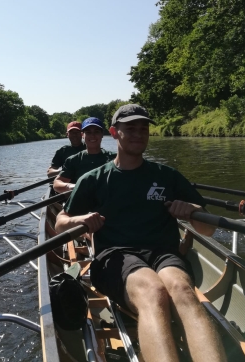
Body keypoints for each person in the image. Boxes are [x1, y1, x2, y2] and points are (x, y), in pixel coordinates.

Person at [55, 104, 226, 362]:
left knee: (182, 290)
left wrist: (192, 209)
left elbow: (208, 230)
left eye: (143, 128)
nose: (138, 133)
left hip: (163, 253)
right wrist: (80, 219)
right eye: (130, 128)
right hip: (115, 256)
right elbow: (60, 224)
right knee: (152, 290)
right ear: (114, 132)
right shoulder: (92, 179)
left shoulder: (167, 176)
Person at [53, 117, 116, 193]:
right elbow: (56, 184)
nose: (92, 135)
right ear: (82, 135)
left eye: (96, 132)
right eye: (88, 132)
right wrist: (74, 186)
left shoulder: (115, 158)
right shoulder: (73, 160)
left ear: (102, 134)